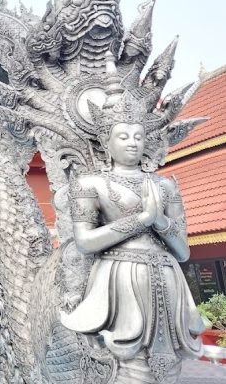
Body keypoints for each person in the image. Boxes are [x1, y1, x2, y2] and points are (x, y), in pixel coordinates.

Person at [61, 86, 203, 383]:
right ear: (105, 141)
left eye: (138, 137)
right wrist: (142, 219)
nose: (132, 143)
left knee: (168, 362)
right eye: (123, 137)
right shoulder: (90, 184)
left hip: (167, 276)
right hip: (119, 276)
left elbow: (183, 251)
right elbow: (85, 242)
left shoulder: (165, 185)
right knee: (130, 362)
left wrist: (160, 221)